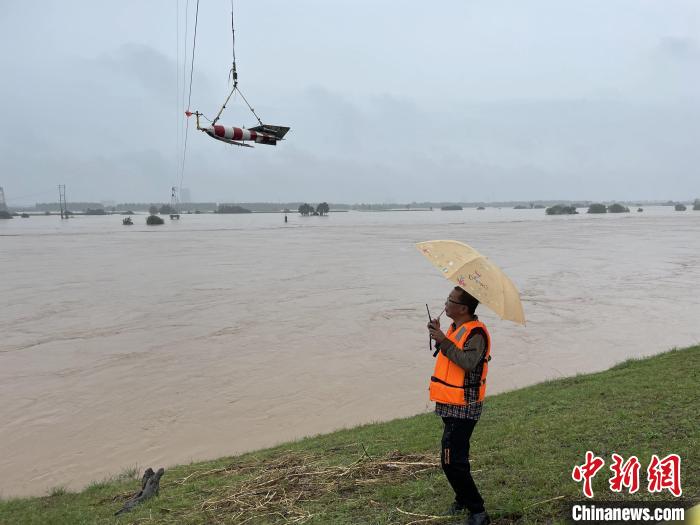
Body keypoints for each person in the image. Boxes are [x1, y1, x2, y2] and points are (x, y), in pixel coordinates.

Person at [427, 286, 491, 525]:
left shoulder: (477, 334)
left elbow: (467, 363)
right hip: (450, 403)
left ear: (463, 308)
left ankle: (478, 511)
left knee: (451, 460)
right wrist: (439, 334)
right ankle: (463, 498)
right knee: (455, 456)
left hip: (463, 407)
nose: (446, 303)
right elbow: (449, 356)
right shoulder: (456, 328)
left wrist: (443, 340)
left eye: (450, 301)